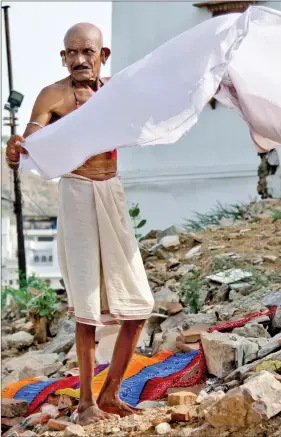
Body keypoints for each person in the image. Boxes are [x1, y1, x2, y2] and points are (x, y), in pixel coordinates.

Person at [6, 22, 154, 425]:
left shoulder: (116, 93)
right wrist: (19, 144)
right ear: (63, 56)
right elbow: (32, 134)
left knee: (139, 306)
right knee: (87, 309)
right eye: (71, 53)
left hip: (113, 193)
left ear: (102, 56)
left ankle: (110, 394)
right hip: (77, 195)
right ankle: (87, 402)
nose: (78, 60)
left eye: (87, 52)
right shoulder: (53, 94)